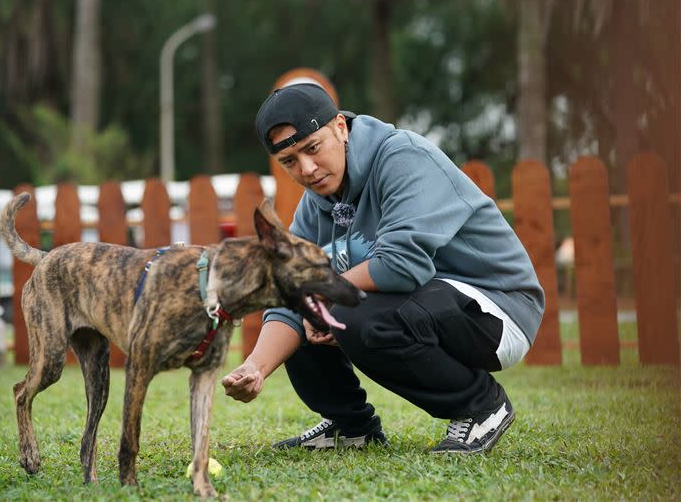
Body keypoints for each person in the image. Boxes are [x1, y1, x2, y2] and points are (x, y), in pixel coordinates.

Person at [221, 83, 544, 454]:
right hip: (428, 304)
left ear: (340, 127)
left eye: (313, 148)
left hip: (496, 308)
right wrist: (257, 366)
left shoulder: (402, 157)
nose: (306, 169)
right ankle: (350, 426)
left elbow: (402, 265)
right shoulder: (317, 204)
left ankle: (481, 406)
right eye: (289, 161)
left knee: (343, 306)